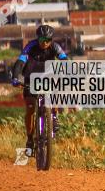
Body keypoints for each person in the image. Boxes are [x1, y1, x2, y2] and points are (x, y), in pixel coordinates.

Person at [10, 24, 68, 156]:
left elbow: (64, 60)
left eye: (48, 40)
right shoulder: (30, 46)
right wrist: (15, 77)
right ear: (38, 39)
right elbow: (20, 62)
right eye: (42, 40)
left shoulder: (55, 47)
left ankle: (54, 115)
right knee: (30, 107)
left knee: (57, 86)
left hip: (47, 77)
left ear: (51, 40)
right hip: (31, 78)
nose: (45, 43)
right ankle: (30, 140)